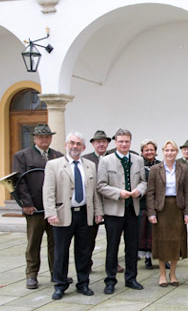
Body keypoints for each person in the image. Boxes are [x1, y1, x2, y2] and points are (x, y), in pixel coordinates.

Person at [43, 132, 103, 300]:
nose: (75, 146)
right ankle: (60, 284)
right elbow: (48, 192)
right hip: (63, 214)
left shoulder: (90, 165)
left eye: (78, 144)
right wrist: (50, 213)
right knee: (61, 252)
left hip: (85, 213)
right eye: (72, 143)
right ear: (66, 145)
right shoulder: (54, 165)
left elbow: (95, 193)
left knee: (84, 251)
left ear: (83, 148)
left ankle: (83, 283)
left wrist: (98, 212)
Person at [12, 123, 63, 289]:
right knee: (34, 242)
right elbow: (19, 182)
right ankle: (31, 274)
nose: (44, 140)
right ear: (34, 138)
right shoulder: (22, 156)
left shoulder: (57, 155)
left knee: (55, 242)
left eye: (47, 136)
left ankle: (56, 273)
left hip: (54, 208)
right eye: (41, 137)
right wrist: (26, 204)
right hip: (34, 208)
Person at [97, 128, 147, 294]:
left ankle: (131, 278)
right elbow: (101, 186)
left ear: (130, 142)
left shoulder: (138, 160)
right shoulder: (106, 161)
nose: (124, 144)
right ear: (116, 142)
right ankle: (110, 280)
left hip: (133, 209)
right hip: (114, 211)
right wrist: (119, 193)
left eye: (126, 141)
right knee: (113, 246)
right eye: (121, 141)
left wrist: (139, 190)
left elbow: (143, 181)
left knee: (132, 246)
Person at [146, 140, 188, 287]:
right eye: (167, 150)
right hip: (161, 209)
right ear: (163, 152)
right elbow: (150, 192)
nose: (169, 153)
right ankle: (162, 275)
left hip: (177, 209)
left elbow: (187, 192)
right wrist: (151, 213)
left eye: (172, 150)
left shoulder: (183, 168)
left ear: (176, 152)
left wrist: (187, 213)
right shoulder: (155, 169)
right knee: (162, 242)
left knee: (175, 242)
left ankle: (172, 274)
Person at [82, 130, 123, 272]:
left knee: (113, 237)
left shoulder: (114, 158)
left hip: (111, 202)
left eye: (104, 142)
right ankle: (87, 263)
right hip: (93, 205)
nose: (101, 144)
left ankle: (113, 263)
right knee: (89, 237)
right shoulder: (86, 160)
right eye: (98, 142)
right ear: (93, 144)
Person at [138, 139, 160, 269]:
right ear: (142, 152)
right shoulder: (138, 165)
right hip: (143, 204)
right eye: (147, 150)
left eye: (152, 149)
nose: (149, 152)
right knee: (145, 232)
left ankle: (163, 257)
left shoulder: (160, 165)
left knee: (159, 232)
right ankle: (147, 258)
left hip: (158, 204)